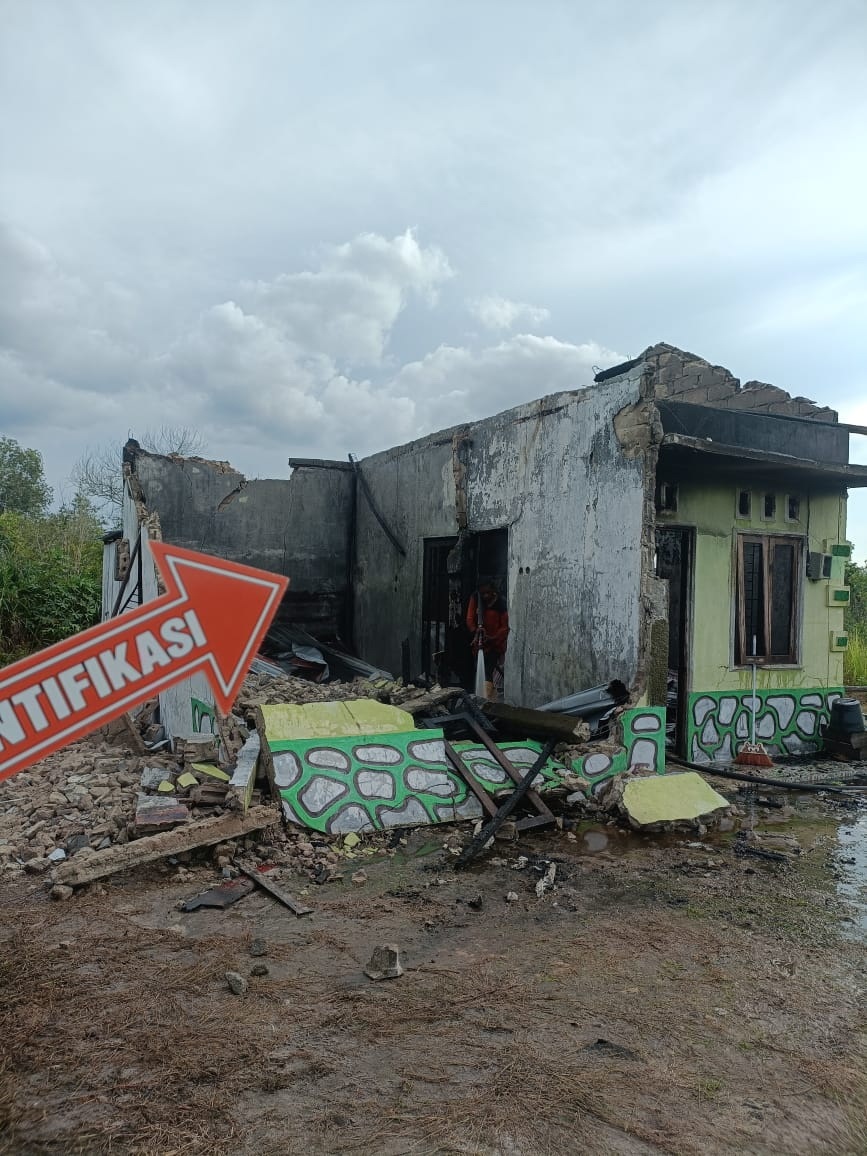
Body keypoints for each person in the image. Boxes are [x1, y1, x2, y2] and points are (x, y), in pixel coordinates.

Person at [465, 581, 509, 700]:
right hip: (478, 643)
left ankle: (485, 701)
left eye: (488, 593)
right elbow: (469, 618)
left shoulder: (501, 603)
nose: (485, 596)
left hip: (494, 644)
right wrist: (475, 630)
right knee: (478, 672)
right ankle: (484, 698)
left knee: (488, 672)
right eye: (482, 593)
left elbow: (504, 627)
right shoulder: (476, 598)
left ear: (494, 591)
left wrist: (493, 637)